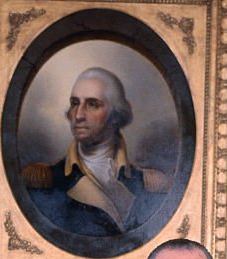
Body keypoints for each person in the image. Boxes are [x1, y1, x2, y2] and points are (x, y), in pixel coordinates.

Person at [23, 67, 172, 237]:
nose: (78, 115)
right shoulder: (45, 182)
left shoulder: (149, 185)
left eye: (92, 104)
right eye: (75, 103)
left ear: (115, 115)